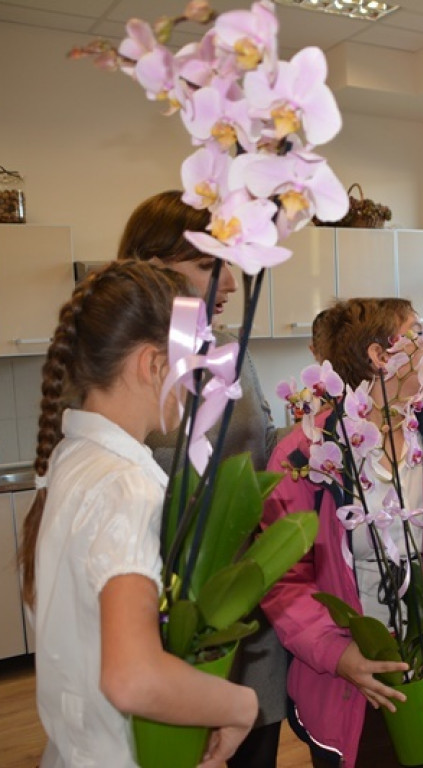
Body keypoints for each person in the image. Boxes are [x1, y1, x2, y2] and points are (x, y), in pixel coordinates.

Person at [19, 260, 258, 768]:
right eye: (191, 363)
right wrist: (242, 705)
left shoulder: (74, 457)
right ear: (152, 365)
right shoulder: (128, 487)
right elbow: (132, 677)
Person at [262, 297, 423, 768]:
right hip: (345, 688)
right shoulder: (303, 459)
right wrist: (336, 655)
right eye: (419, 333)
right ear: (382, 356)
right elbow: (282, 580)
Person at [117, 190, 284, 768]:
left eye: (233, 264)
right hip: (161, 633)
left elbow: (263, 460)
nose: (233, 283)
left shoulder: (234, 356)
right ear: (151, 268)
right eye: (211, 265)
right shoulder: (126, 373)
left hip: (251, 629)